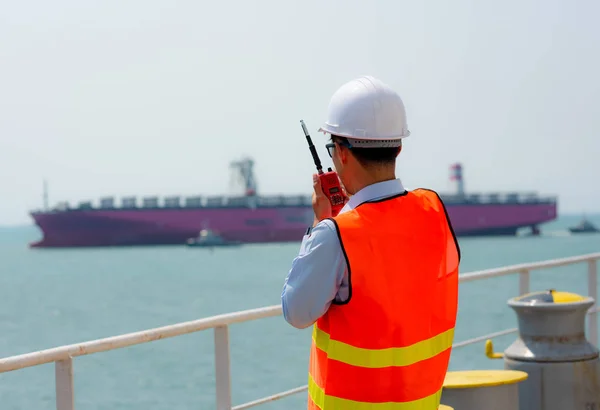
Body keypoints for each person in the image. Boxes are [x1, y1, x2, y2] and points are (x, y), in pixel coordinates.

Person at [281, 75, 460, 409]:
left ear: (343, 154)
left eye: (333, 149)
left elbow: (296, 311)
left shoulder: (334, 235)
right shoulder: (434, 210)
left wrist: (322, 225)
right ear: (399, 146)